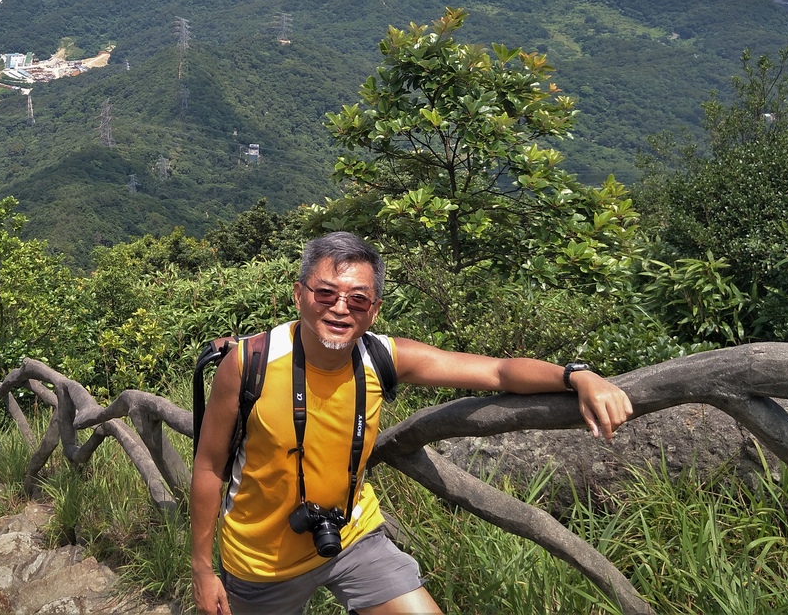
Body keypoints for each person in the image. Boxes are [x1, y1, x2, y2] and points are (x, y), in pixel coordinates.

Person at [190, 231, 634, 615]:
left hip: (352, 535)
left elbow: (497, 371)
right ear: (299, 294)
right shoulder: (250, 363)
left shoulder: (381, 356)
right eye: (325, 293)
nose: (341, 308)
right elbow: (209, 466)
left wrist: (577, 375)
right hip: (261, 559)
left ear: (374, 309)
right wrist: (202, 567)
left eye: (358, 298)